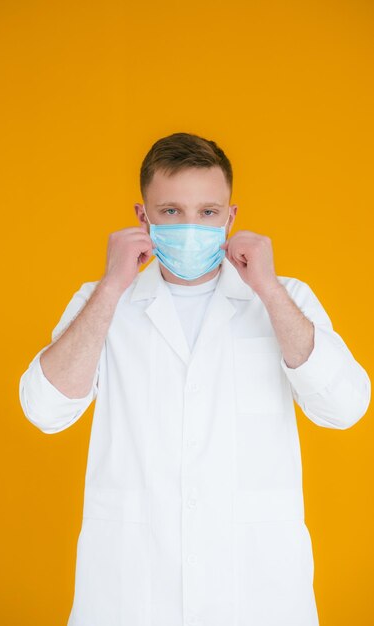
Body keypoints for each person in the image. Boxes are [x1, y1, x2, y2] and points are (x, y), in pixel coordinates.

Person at [19, 132, 371, 626]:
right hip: (132, 592)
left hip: (257, 590)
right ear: (143, 218)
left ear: (231, 217)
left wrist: (266, 288)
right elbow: (44, 409)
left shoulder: (284, 297)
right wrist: (112, 287)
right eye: (170, 211)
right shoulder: (101, 301)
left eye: (208, 213)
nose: (190, 226)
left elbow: (345, 407)